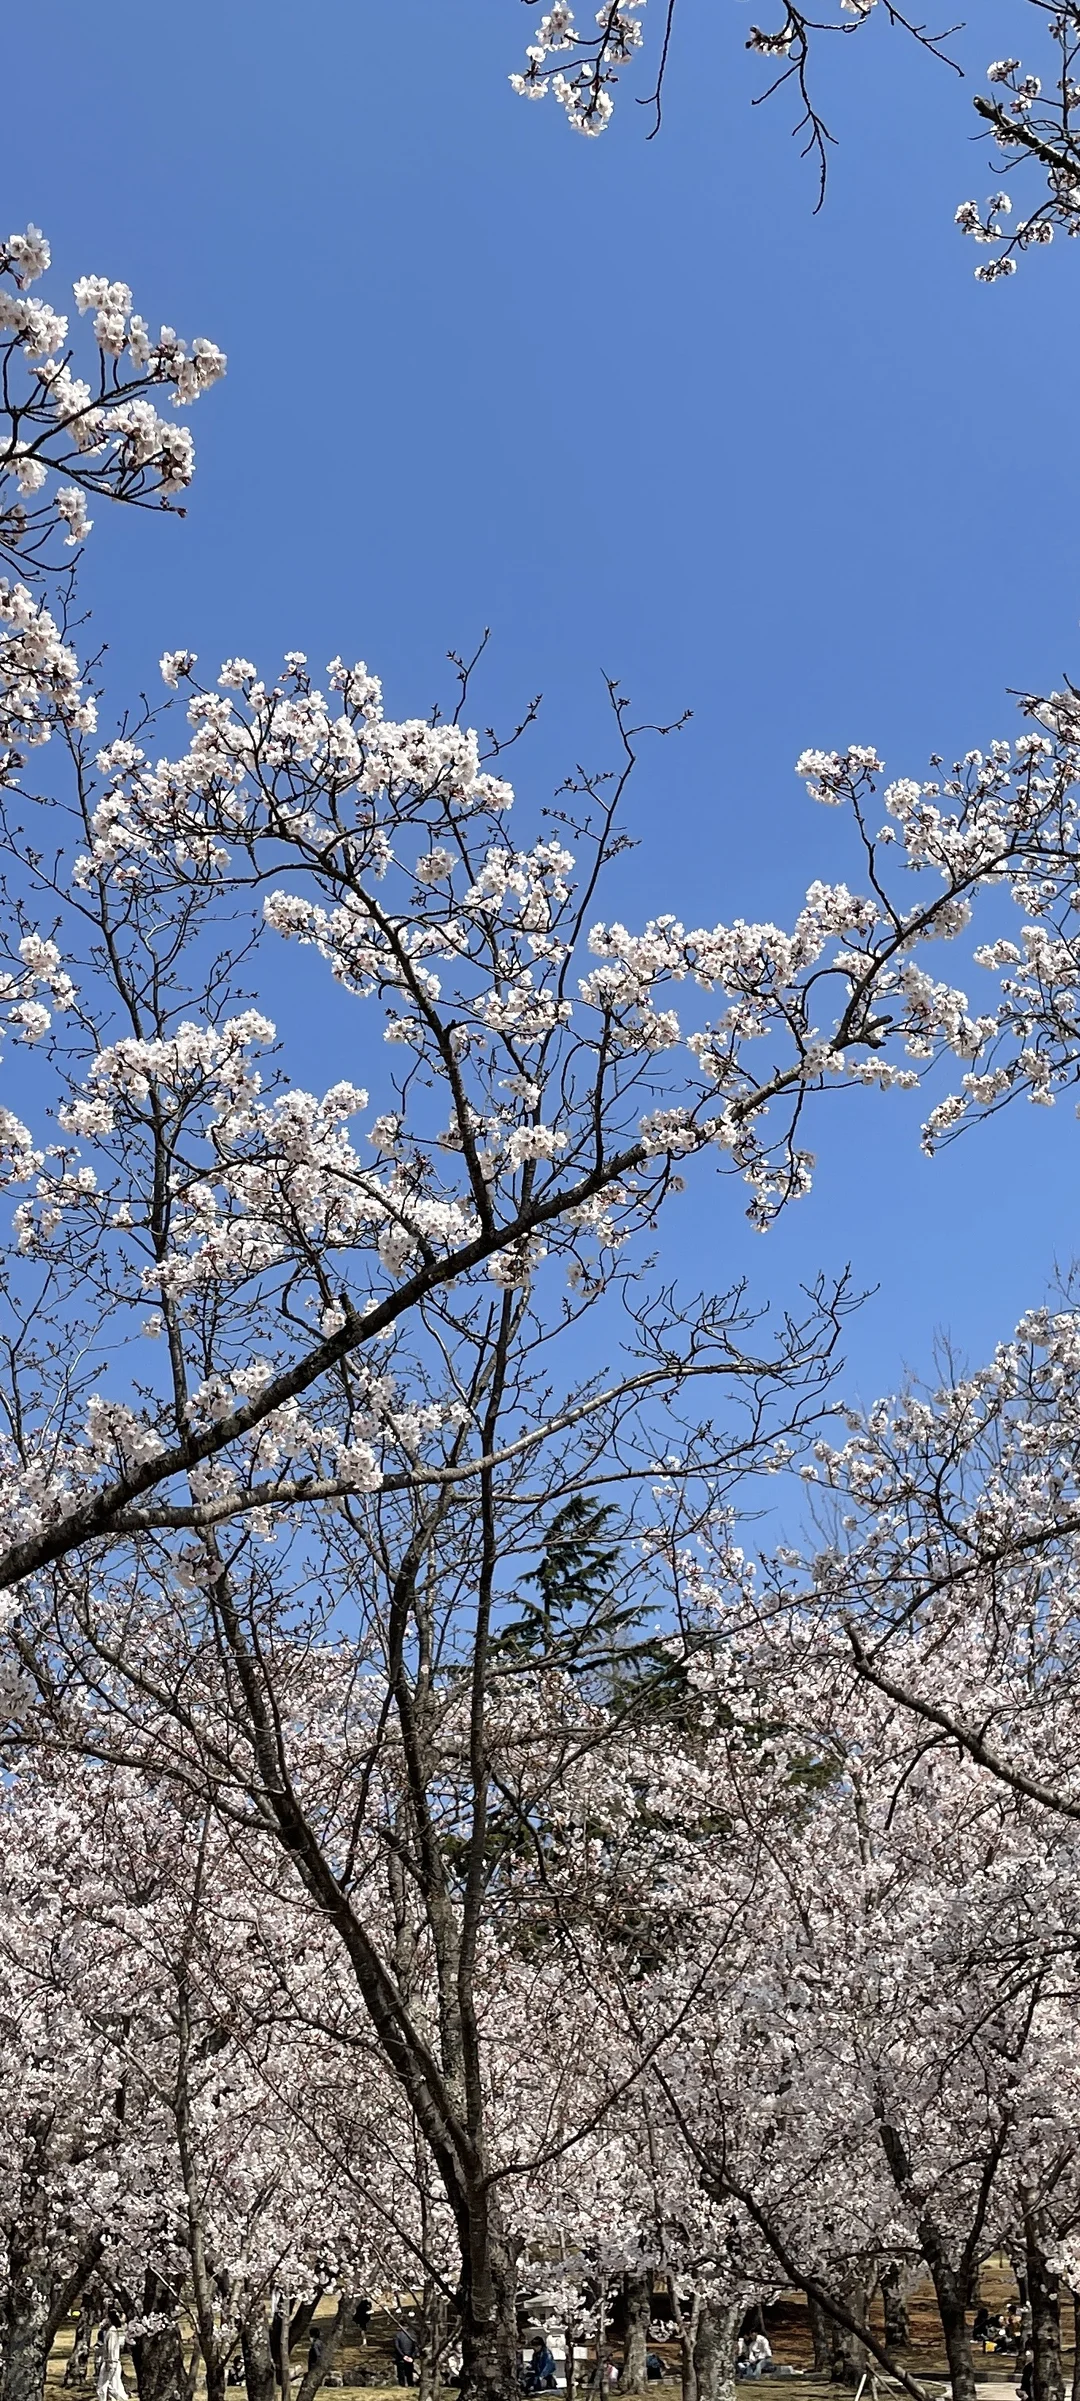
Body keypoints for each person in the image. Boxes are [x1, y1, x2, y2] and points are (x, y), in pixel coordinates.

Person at [96, 2314, 126, 2401]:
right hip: (111, 2362)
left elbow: (111, 2349)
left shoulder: (112, 2333)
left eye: (106, 2319)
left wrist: (110, 2362)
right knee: (112, 2387)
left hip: (111, 2362)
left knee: (102, 2387)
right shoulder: (109, 2332)